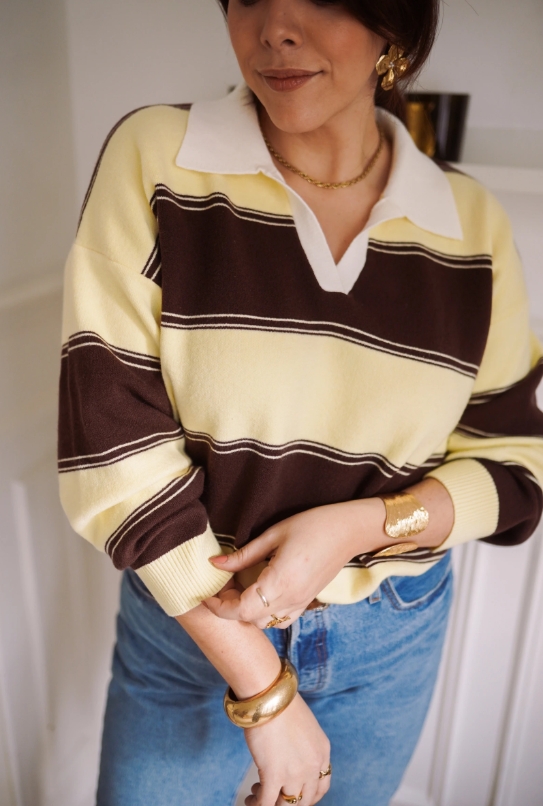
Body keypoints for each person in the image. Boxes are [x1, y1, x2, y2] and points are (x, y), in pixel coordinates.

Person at [58, 1, 543, 804]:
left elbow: (516, 463)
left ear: (393, 24)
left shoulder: (470, 224)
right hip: (194, 626)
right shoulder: (158, 156)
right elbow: (113, 454)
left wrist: (360, 527)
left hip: (393, 631)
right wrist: (265, 693)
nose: (275, 28)